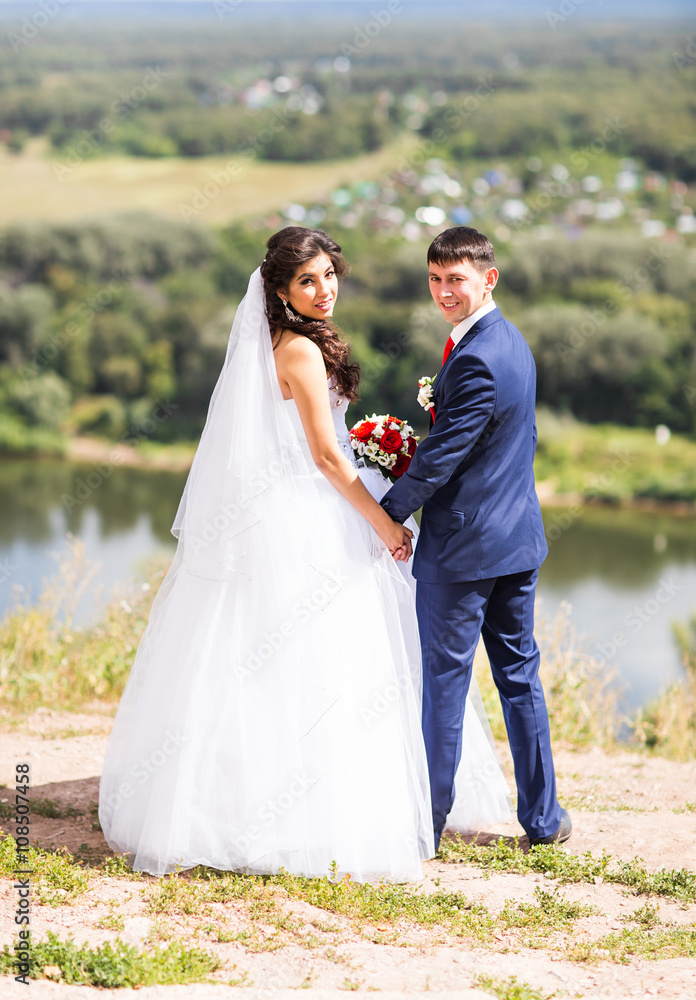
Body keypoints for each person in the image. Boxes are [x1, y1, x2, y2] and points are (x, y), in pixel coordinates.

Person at [99, 227, 511, 881]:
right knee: (321, 661)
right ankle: (299, 815)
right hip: (306, 520)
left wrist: (374, 452)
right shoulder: (298, 352)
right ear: (281, 291)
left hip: (291, 508)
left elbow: (320, 445)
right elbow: (323, 455)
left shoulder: (285, 345)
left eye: (329, 275)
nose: (325, 290)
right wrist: (383, 523)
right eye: (307, 281)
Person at [381, 226, 571, 851]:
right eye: (434, 279)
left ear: (488, 278)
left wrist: (386, 511)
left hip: (464, 551)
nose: (443, 292)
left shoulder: (479, 359)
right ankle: (543, 821)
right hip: (517, 540)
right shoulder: (508, 341)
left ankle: (425, 825)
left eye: (455, 279)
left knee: (444, 682)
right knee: (519, 677)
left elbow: (440, 461)